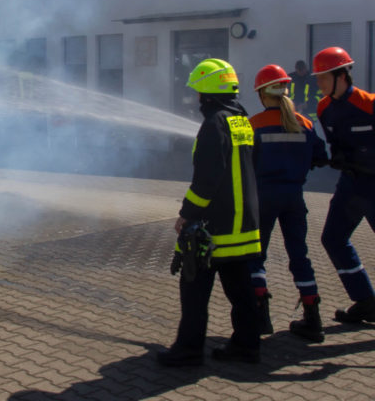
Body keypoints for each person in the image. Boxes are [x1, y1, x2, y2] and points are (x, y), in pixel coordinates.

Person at [157, 58, 262, 367]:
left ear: (208, 93)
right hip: (243, 224)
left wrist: (186, 213)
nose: (196, 99)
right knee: (241, 290)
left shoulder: (213, 124)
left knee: (193, 289)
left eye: (198, 92)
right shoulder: (241, 119)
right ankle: (247, 346)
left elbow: (206, 180)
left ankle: (188, 351)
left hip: (215, 227)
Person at [248, 64, 328, 342]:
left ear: (261, 94)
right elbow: (320, 157)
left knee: (256, 255)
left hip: (263, 198)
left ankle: (260, 317)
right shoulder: (304, 123)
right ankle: (313, 317)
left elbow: (245, 162)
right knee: (300, 256)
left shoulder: (253, 124)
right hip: (294, 198)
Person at [314, 47, 375, 323]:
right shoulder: (324, 109)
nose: (319, 83)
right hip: (350, 186)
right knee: (333, 238)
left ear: (342, 76)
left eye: (324, 77)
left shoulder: (369, 104)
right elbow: (334, 143)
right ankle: (365, 300)